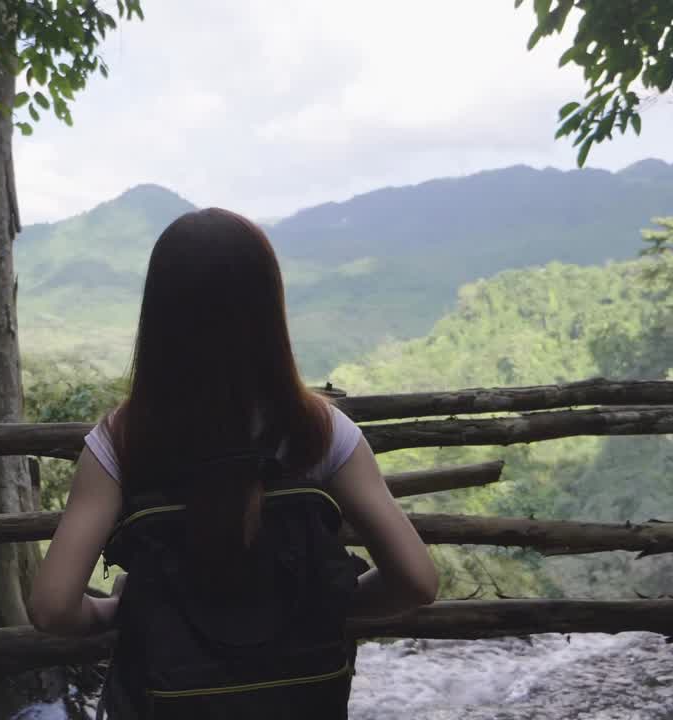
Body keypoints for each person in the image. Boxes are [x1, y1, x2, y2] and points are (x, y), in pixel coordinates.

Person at [30, 207, 438, 718]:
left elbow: (52, 608)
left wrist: (122, 610)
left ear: (158, 316)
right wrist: (320, 604)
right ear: (270, 310)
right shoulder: (322, 433)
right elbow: (417, 582)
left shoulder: (121, 442)